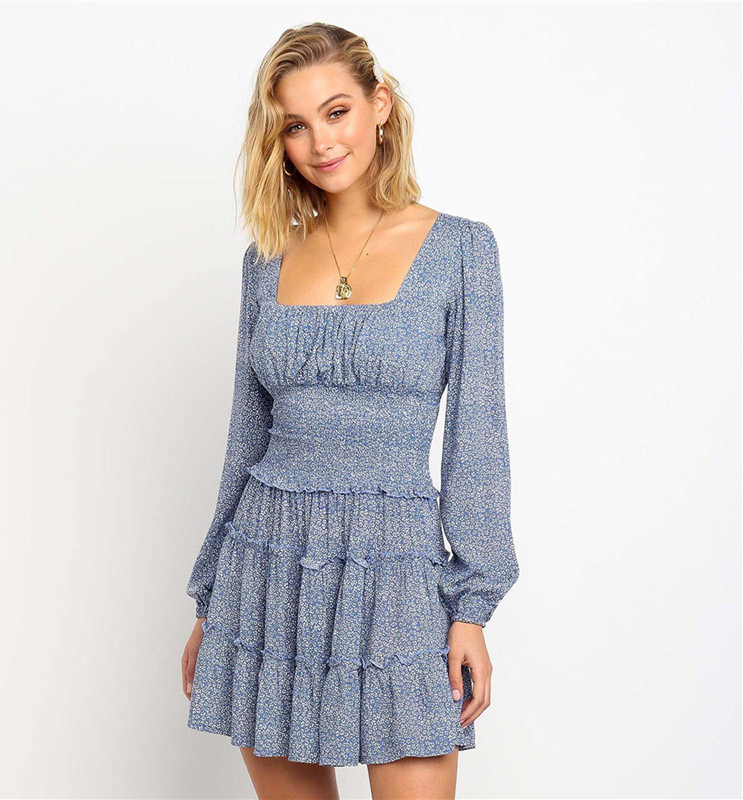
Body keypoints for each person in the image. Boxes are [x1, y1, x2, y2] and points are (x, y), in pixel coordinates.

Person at [180, 22, 520, 800]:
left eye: (336, 112)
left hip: (395, 572)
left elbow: (479, 440)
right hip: (266, 569)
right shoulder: (265, 260)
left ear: (380, 105)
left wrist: (470, 612)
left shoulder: (461, 251)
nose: (320, 142)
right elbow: (245, 439)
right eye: (294, 125)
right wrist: (211, 602)